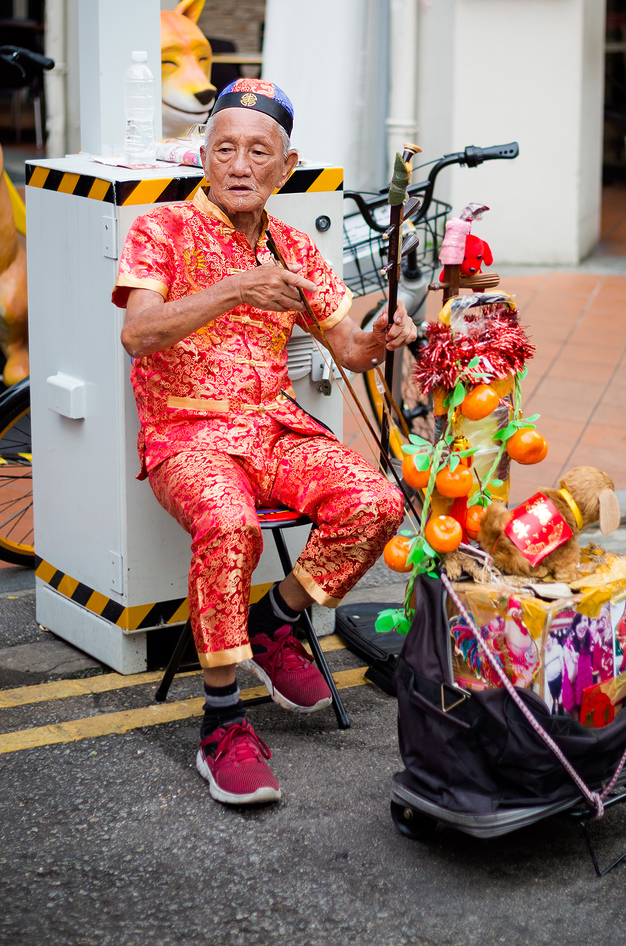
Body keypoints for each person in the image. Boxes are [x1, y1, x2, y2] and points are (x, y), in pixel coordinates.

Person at [113, 78, 412, 806]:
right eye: (224, 149)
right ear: (203, 157)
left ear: (286, 166)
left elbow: (346, 345)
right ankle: (221, 722)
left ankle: (275, 620)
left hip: (272, 428)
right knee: (228, 522)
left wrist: (378, 338)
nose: (239, 165)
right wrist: (237, 288)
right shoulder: (162, 229)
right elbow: (137, 334)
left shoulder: (295, 248)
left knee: (375, 500)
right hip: (187, 433)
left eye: (258, 152)